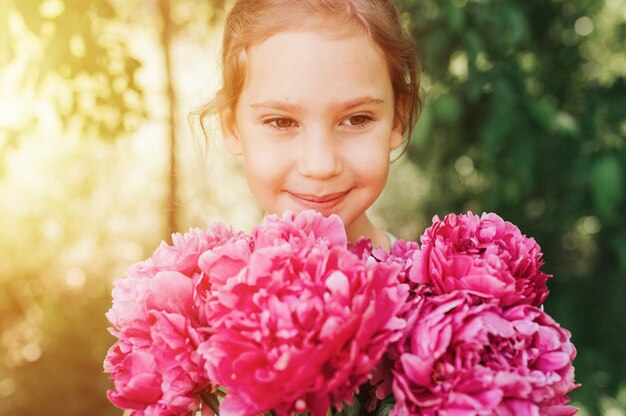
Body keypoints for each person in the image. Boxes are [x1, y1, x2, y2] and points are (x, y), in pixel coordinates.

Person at [201, 0, 421, 252]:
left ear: (396, 121)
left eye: (356, 119)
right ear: (232, 127)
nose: (321, 167)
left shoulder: (437, 288)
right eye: (281, 122)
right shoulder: (206, 289)